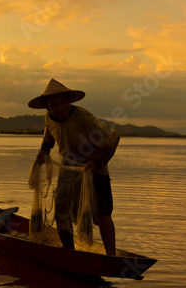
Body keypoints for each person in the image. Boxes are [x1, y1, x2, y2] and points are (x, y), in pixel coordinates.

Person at [30, 79, 120, 255]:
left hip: (94, 169)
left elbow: (112, 137)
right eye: (55, 105)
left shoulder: (82, 116)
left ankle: (111, 255)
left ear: (69, 102)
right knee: (62, 213)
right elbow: (50, 132)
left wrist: (97, 161)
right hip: (68, 171)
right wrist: (44, 150)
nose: (61, 108)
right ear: (48, 108)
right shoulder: (49, 118)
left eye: (64, 103)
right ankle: (69, 252)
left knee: (102, 213)